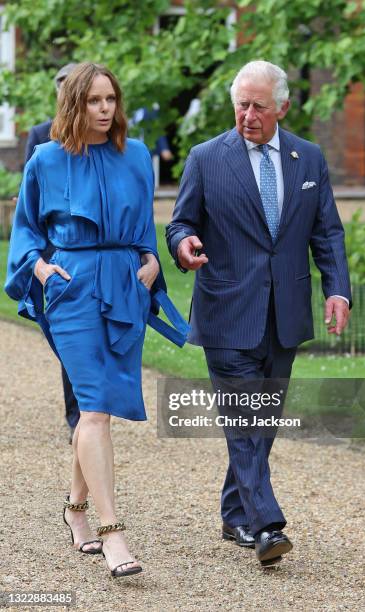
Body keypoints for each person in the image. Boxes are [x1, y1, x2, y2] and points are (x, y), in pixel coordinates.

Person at [5, 62, 188, 578]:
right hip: (73, 286)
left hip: (126, 286)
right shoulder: (44, 159)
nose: (105, 109)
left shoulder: (136, 155)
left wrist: (151, 264)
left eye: (111, 99)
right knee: (95, 407)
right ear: (74, 104)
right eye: (94, 101)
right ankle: (113, 531)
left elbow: (145, 227)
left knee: (97, 409)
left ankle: (75, 510)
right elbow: (26, 231)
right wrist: (40, 268)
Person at [166, 60, 351, 567]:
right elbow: (179, 223)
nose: (247, 115)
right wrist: (184, 246)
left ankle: (234, 511)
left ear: (283, 107)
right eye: (241, 105)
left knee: (259, 420)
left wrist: (338, 290)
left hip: (285, 313)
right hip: (227, 309)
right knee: (246, 416)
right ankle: (268, 524)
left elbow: (327, 232)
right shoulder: (207, 158)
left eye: (258, 106)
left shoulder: (308, 158)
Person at [24, 63, 80, 441]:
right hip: (51, 250)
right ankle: (79, 411)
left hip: (88, 251)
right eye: (61, 85)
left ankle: (83, 414)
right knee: (63, 337)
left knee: (80, 337)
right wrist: (39, 261)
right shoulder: (41, 137)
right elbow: (31, 195)